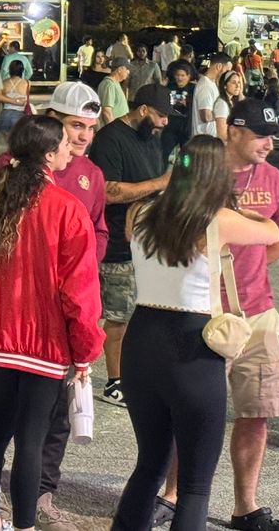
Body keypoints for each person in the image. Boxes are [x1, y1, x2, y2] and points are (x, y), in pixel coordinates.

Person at [0, 116, 105, 531]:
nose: (71, 147)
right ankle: (25, 525)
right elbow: (79, 292)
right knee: (31, 437)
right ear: (49, 155)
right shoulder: (67, 208)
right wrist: (85, 351)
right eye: (65, 142)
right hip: (44, 342)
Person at [110, 136, 278, 531]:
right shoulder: (216, 219)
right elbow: (271, 231)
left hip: (142, 339)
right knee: (196, 485)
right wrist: (237, 208)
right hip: (192, 346)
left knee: (148, 465)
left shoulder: (140, 213)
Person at [155, 100, 279, 531]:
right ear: (232, 131)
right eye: (259, 134)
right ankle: (173, 495)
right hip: (200, 314)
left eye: (272, 134)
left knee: (256, 411)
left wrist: (245, 271)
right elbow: (166, 227)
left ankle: (245, 507)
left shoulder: (274, 179)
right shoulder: (198, 172)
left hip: (258, 315)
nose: (269, 143)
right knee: (193, 412)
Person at [0, 82, 109, 531]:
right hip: (19, 313)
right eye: (75, 126)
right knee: (6, 411)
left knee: (60, 410)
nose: (82, 136)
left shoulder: (90, 175)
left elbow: (98, 231)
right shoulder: (11, 168)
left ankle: (41, 496)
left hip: (69, 306)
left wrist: (84, 261)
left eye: (91, 128)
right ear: (52, 123)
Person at [88, 83, 174, 408]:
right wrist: (159, 183)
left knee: (142, 316)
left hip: (147, 242)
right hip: (117, 243)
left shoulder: (150, 136)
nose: (164, 122)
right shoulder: (110, 139)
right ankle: (115, 382)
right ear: (142, 110)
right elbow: (107, 191)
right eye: (160, 115)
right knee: (119, 317)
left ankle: (137, 375)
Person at [191, 52, 231, 138]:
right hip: (204, 142)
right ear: (219, 66)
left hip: (210, 140)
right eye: (226, 71)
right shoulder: (206, 86)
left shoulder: (212, 84)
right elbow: (205, 116)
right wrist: (225, 113)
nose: (227, 75)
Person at [162, 60, 195, 161]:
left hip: (186, 128)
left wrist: (188, 103)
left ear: (188, 76)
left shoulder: (193, 88)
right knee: (163, 153)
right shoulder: (169, 87)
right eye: (177, 75)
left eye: (183, 75)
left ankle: (185, 174)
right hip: (171, 127)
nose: (180, 78)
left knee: (187, 157)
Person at [0, 60, 30, 137]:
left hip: (5, 114)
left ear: (10, 70)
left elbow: (0, 99)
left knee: (7, 140)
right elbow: (27, 99)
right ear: (22, 70)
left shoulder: (4, 83)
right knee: (17, 140)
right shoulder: (27, 83)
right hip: (20, 114)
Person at [97, 58, 132, 125]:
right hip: (112, 131)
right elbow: (107, 112)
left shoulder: (115, 83)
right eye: (126, 69)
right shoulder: (109, 84)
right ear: (119, 69)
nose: (128, 72)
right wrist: (113, 130)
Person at [213, 70, 245, 139]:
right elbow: (222, 135)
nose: (237, 86)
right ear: (225, 85)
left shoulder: (231, 101)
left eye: (238, 82)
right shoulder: (222, 104)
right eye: (233, 82)